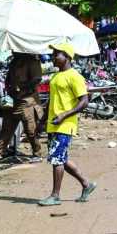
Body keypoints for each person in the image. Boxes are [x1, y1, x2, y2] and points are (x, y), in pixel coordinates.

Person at [38, 43, 96, 206]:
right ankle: (86, 184)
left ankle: (55, 196)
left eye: (57, 54)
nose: (53, 57)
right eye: (54, 53)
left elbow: (84, 101)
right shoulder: (56, 77)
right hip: (53, 123)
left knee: (57, 159)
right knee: (61, 158)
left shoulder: (74, 76)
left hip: (65, 124)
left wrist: (64, 115)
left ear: (67, 57)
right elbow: (51, 101)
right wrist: (42, 120)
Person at [0, 53, 43, 162]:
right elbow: (9, 78)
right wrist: (9, 88)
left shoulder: (32, 60)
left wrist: (22, 88)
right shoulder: (14, 61)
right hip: (13, 98)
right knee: (7, 126)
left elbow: (37, 79)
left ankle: (37, 152)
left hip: (26, 99)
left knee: (30, 129)